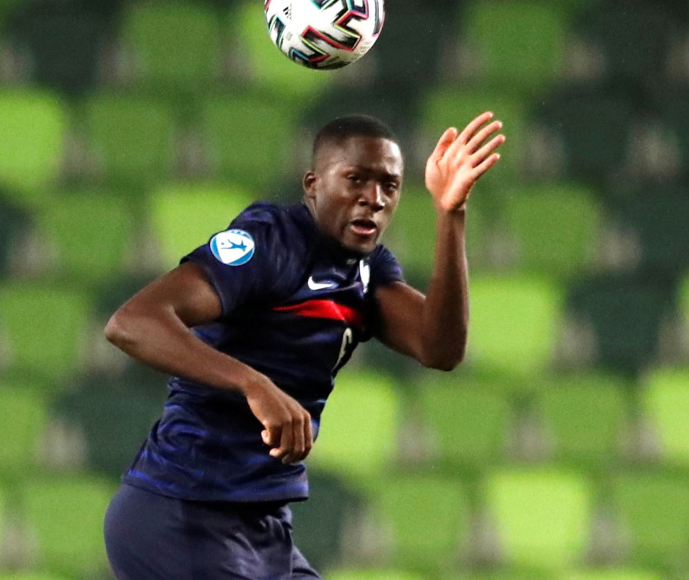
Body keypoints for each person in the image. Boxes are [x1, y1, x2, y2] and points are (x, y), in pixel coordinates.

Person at [102, 111, 505, 579]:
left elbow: (440, 348)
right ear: (313, 183)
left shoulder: (368, 272)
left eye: (389, 186)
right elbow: (132, 322)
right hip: (183, 513)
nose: (373, 199)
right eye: (355, 179)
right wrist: (254, 385)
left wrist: (450, 214)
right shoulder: (270, 243)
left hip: (262, 523)